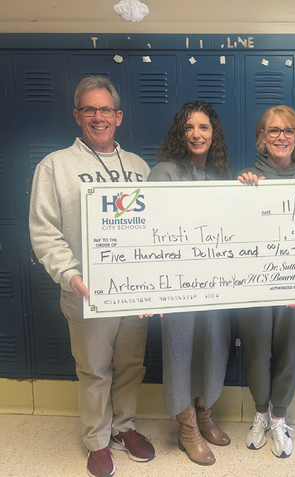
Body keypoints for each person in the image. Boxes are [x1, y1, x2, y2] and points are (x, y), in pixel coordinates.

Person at [28, 76, 156, 477]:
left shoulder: (138, 166)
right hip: (87, 292)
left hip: (133, 293)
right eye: (89, 109)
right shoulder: (55, 165)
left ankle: (125, 427)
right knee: (95, 370)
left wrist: (158, 286)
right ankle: (98, 440)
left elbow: (158, 227)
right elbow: (44, 229)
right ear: (77, 115)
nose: (98, 117)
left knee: (131, 365)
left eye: (106, 110)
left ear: (118, 116)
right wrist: (70, 274)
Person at [147, 101, 233, 466]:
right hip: (176, 282)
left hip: (214, 282)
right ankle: (187, 429)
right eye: (189, 128)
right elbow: (149, 230)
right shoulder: (164, 172)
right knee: (180, 349)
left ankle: (204, 412)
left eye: (204, 128)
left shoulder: (218, 174)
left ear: (214, 135)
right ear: (180, 134)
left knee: (214, 344)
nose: (197, 134)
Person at [236, 105, 295, 457]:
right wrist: (241, 193)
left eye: (288, 131)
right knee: (256, 350)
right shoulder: (246, 181)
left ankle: (279, 418)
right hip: (255, 285)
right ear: (262, 137)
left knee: (288, 352)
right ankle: (259, 413)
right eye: (273, 131)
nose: (281, 137)